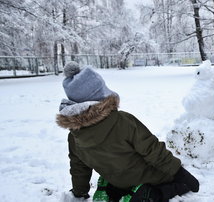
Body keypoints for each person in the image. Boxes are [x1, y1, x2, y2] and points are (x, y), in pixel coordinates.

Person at [56, 61, 199, 202]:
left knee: (119, 175)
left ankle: (111, 189)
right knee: (180, 185)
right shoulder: (122, 121)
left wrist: (79, 192)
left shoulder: (74, 136)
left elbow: (79, 167)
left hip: (116, 178)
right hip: (147, 177)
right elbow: (152, 150)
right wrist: (179, 172)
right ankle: (148, 194)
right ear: (99, 94)